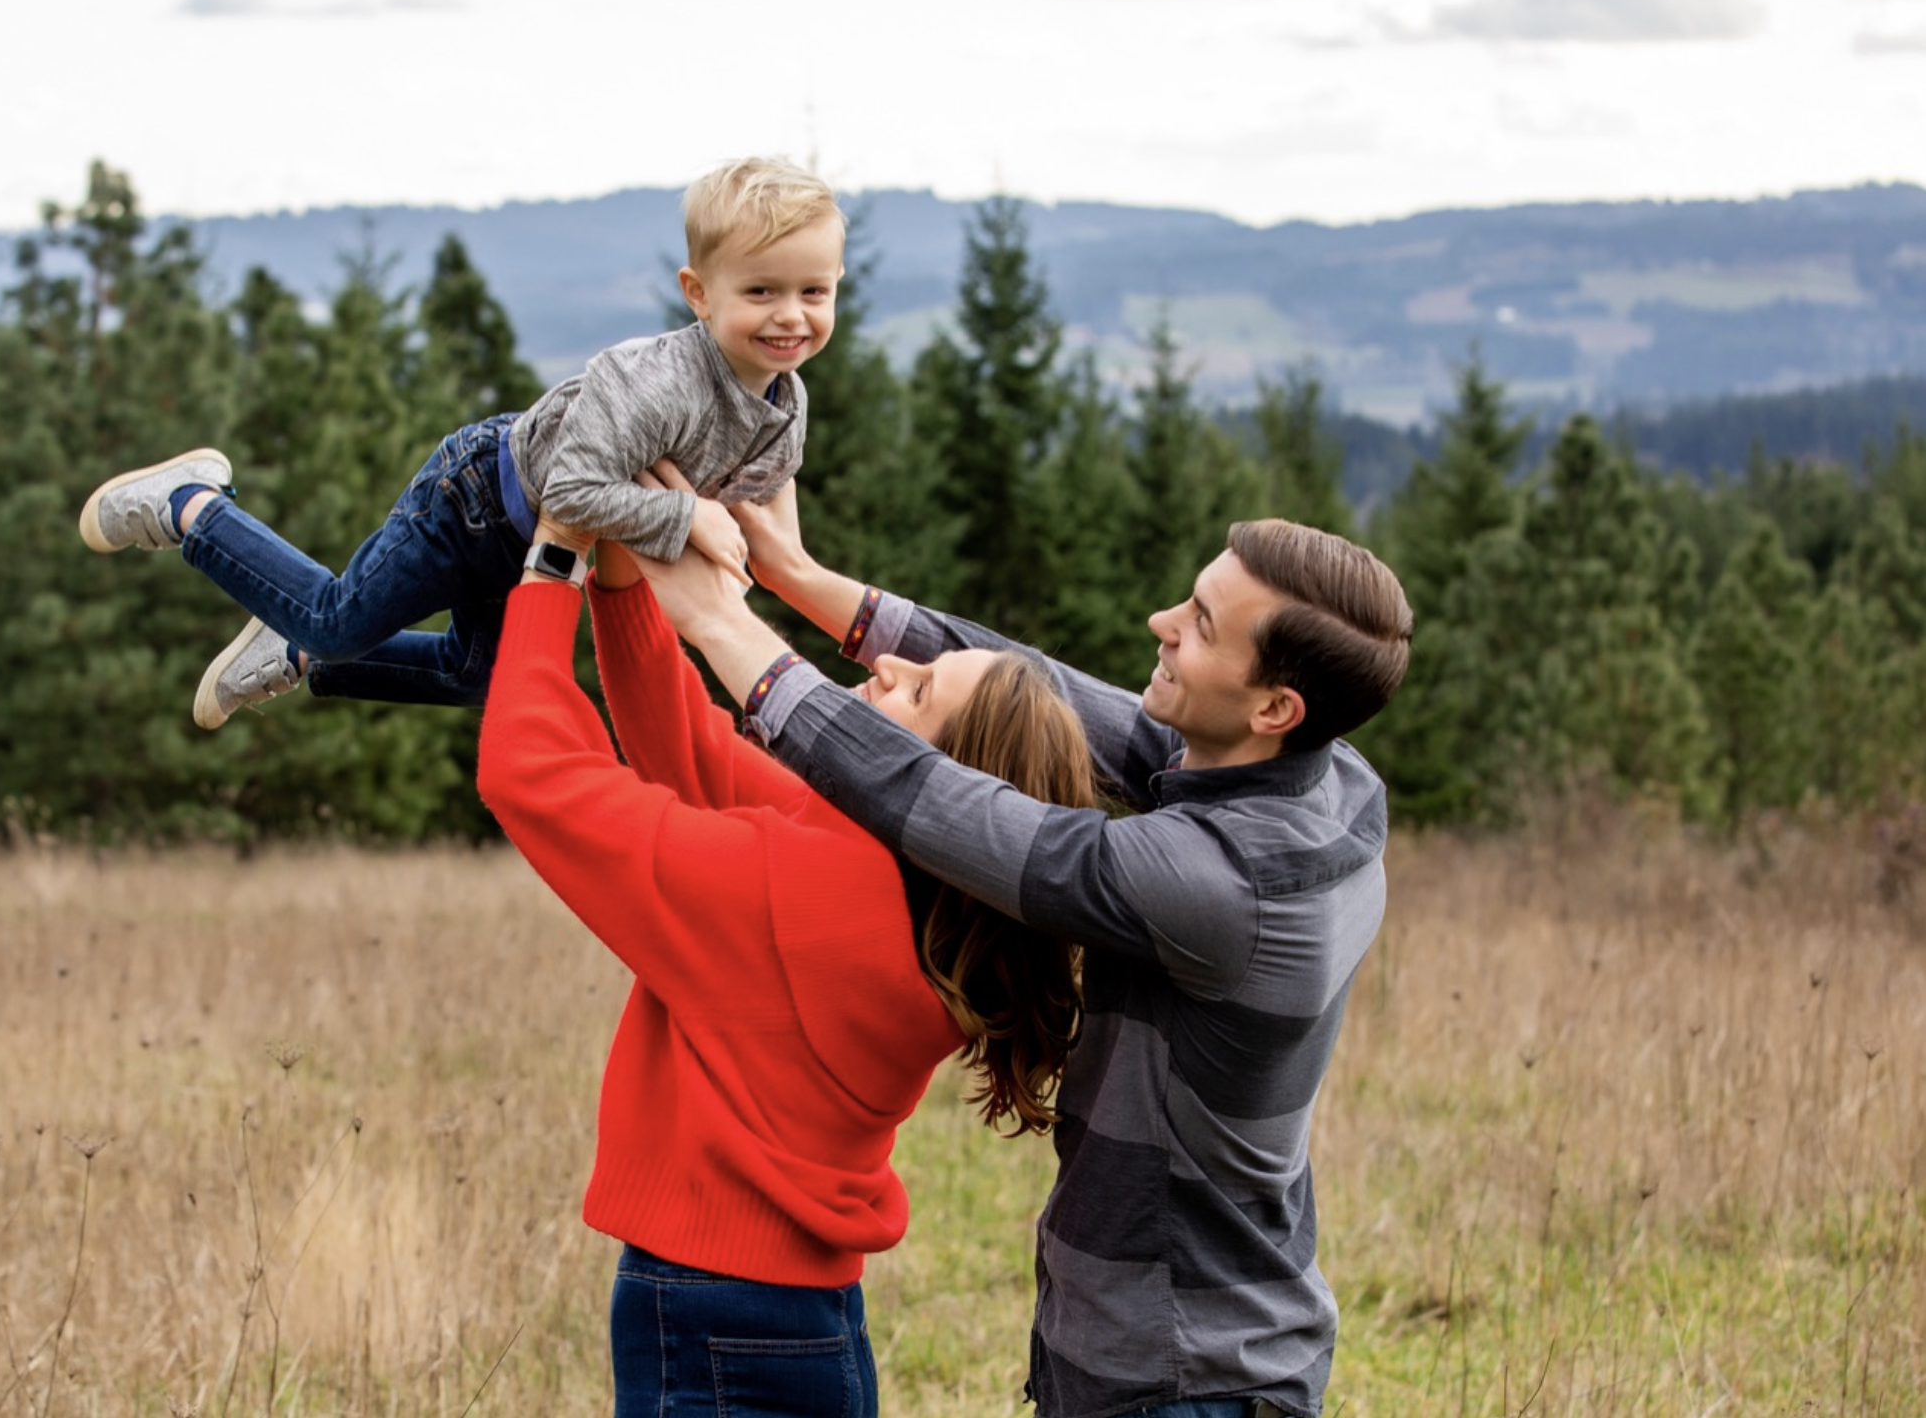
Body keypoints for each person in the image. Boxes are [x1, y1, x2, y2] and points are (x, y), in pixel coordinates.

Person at [638, 483, 1413, 1418]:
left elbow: (950, 807)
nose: (1161, 622)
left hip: (1183, 1377)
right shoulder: (1334, 783)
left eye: (1202, 625)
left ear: (1275, 708)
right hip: (1180, 1357)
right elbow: (1034, 689)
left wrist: (723, 629)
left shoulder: (1222, 888)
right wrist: (797, 577)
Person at [474, 508, 1101, 1418]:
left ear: (943, 792)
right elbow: (690, 751)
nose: (886, 665)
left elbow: (530, 771)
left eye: (918, 692)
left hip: (714, 1312)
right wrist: (623, 571)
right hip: (797, 1317)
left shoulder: (804, 889)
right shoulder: (911, 891)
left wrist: (557, 555)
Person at [75, 155, 843, 728]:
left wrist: (777, 566)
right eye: (762, 292)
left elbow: (769, 483)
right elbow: (574, 492)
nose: (791, 316)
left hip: (538, 549)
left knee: (478, 676)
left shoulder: (785, 402)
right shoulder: (655, 380)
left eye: (814, 292)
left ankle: (297, 654)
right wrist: (689, 520)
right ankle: (189, 506)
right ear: (700, 294)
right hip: (477, 499)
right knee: (342, 617)